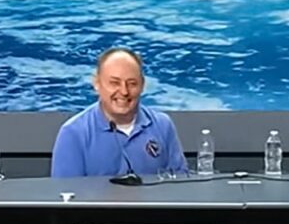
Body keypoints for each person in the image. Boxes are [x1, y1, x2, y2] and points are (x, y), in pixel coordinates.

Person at [51, 47, 187, 177]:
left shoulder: (163, 126)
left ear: (142, 85)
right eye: (115, 83)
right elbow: (65, 194)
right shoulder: (73, 133)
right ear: (96, 83)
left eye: (132, 83)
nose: (124, 91)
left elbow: (180, 182)